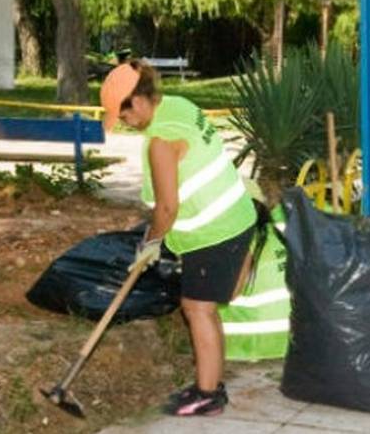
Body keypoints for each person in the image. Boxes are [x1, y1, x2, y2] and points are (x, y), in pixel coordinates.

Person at [100, 60, 257, 416]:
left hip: (214, 231)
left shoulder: (160, 141)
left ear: (137, 102)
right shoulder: (179, 106)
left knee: (196, 308)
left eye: (122, 116)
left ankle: (207, 394)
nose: (124, 123)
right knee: (204, 307)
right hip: (234, 218)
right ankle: (211, 385)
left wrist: (150, 243)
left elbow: (167, 208)